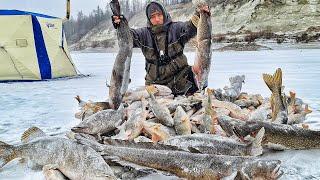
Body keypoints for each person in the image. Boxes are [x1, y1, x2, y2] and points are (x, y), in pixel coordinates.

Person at [112, 1, 210, 96]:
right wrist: (121, 25)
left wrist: (200, 13)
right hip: (155, 83)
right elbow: (128, 38)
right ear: (149, 19)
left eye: (159, 15)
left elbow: (191, 27)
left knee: (201, 77)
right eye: (153, 17)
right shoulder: (143, 34)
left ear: (164, 13)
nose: (157, 19)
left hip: (180, 78)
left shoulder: (176, 29)